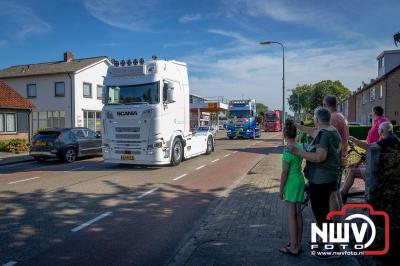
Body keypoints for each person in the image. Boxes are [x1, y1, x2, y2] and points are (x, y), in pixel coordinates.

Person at [288, 107, 342, 259]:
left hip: (321, 179)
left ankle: (332, 247)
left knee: (322, 213)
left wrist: (297, 152)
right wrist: (297, 125)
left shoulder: (324, 135)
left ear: (318, 119)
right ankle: (327, 242)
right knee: (323, 212)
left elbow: (319, 157)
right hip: (328, 177)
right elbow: (313, 131)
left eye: (314, 118)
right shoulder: (331, 130)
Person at [341, 122, 400, 199]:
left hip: (381, 173)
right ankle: (344, 194)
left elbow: (368, 147)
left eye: (378, 130)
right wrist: (358, 163)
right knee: (352, 170)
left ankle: (342, 194)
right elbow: (370, 151)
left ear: (381, 131)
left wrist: (354, 140)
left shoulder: (389, 139)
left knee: (352, 172)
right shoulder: (392, 138)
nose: (378, 131)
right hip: (386, 171)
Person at [279, 119, 304, 256]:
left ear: (284, 135)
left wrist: (281, 189)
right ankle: (298, 244)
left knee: (291, 216)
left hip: (292, 182)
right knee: (298, 214)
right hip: (300, 179)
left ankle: (293, 247)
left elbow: (284, 172)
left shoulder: (287, 150)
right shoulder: (299, 146)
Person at [323, 96, 349, 216]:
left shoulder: (332, 118)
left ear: (326, 105)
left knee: (331, 196)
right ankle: (338, 224)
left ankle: (334, 227)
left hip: (335, 161)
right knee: (336, 192)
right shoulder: (341, 116)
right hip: (342, 158)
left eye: (323, 105)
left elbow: (330, 141)